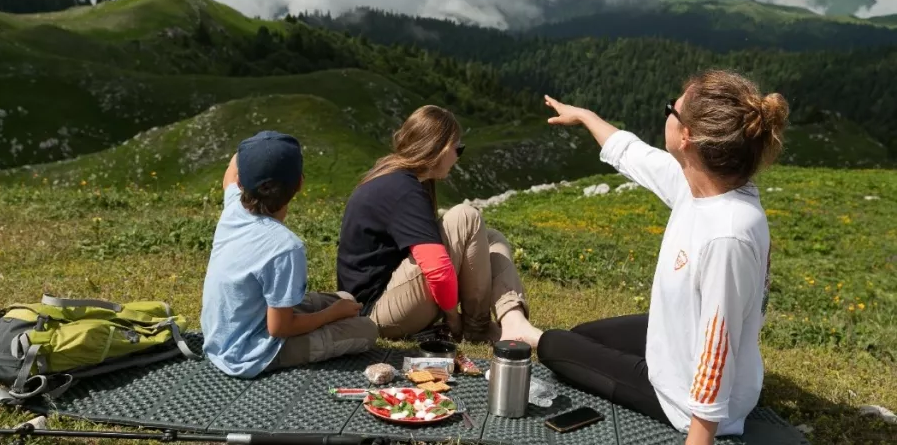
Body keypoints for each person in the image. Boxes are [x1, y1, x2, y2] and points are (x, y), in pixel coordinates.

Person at [532, 70, 789, 443]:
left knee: (554, 344)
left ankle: (520, 331)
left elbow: (719, 346)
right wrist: (585, 116)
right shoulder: (703, 184)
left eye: (673, 108)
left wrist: (698, 436)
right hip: (681, 342)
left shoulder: (727, 234)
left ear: (687, 137)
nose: (666, 111)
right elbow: (634, 154)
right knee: (582, 336)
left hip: (685, 401)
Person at [336, 105, 542, 345]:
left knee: (491, 238)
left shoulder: (394, 176)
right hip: (374, 313)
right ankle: (476, 329)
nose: (458, 158)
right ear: (441, 149)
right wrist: (453, 320)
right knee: (466, 217)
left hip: (378, 301)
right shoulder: (405, 189)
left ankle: (513, 320)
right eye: (458, 149)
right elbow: (437, 269)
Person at [201, 130, 378, 378]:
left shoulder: (234, 205)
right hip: (249, 355)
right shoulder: (285, 247)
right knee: (367, 329)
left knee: (345, 297)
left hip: (221, 337)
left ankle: (336, 311)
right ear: (300, 183)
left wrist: (259, 150)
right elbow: (279, 328)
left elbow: (232, 167)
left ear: (241, 183)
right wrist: (331, 315)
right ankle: (332, 318)